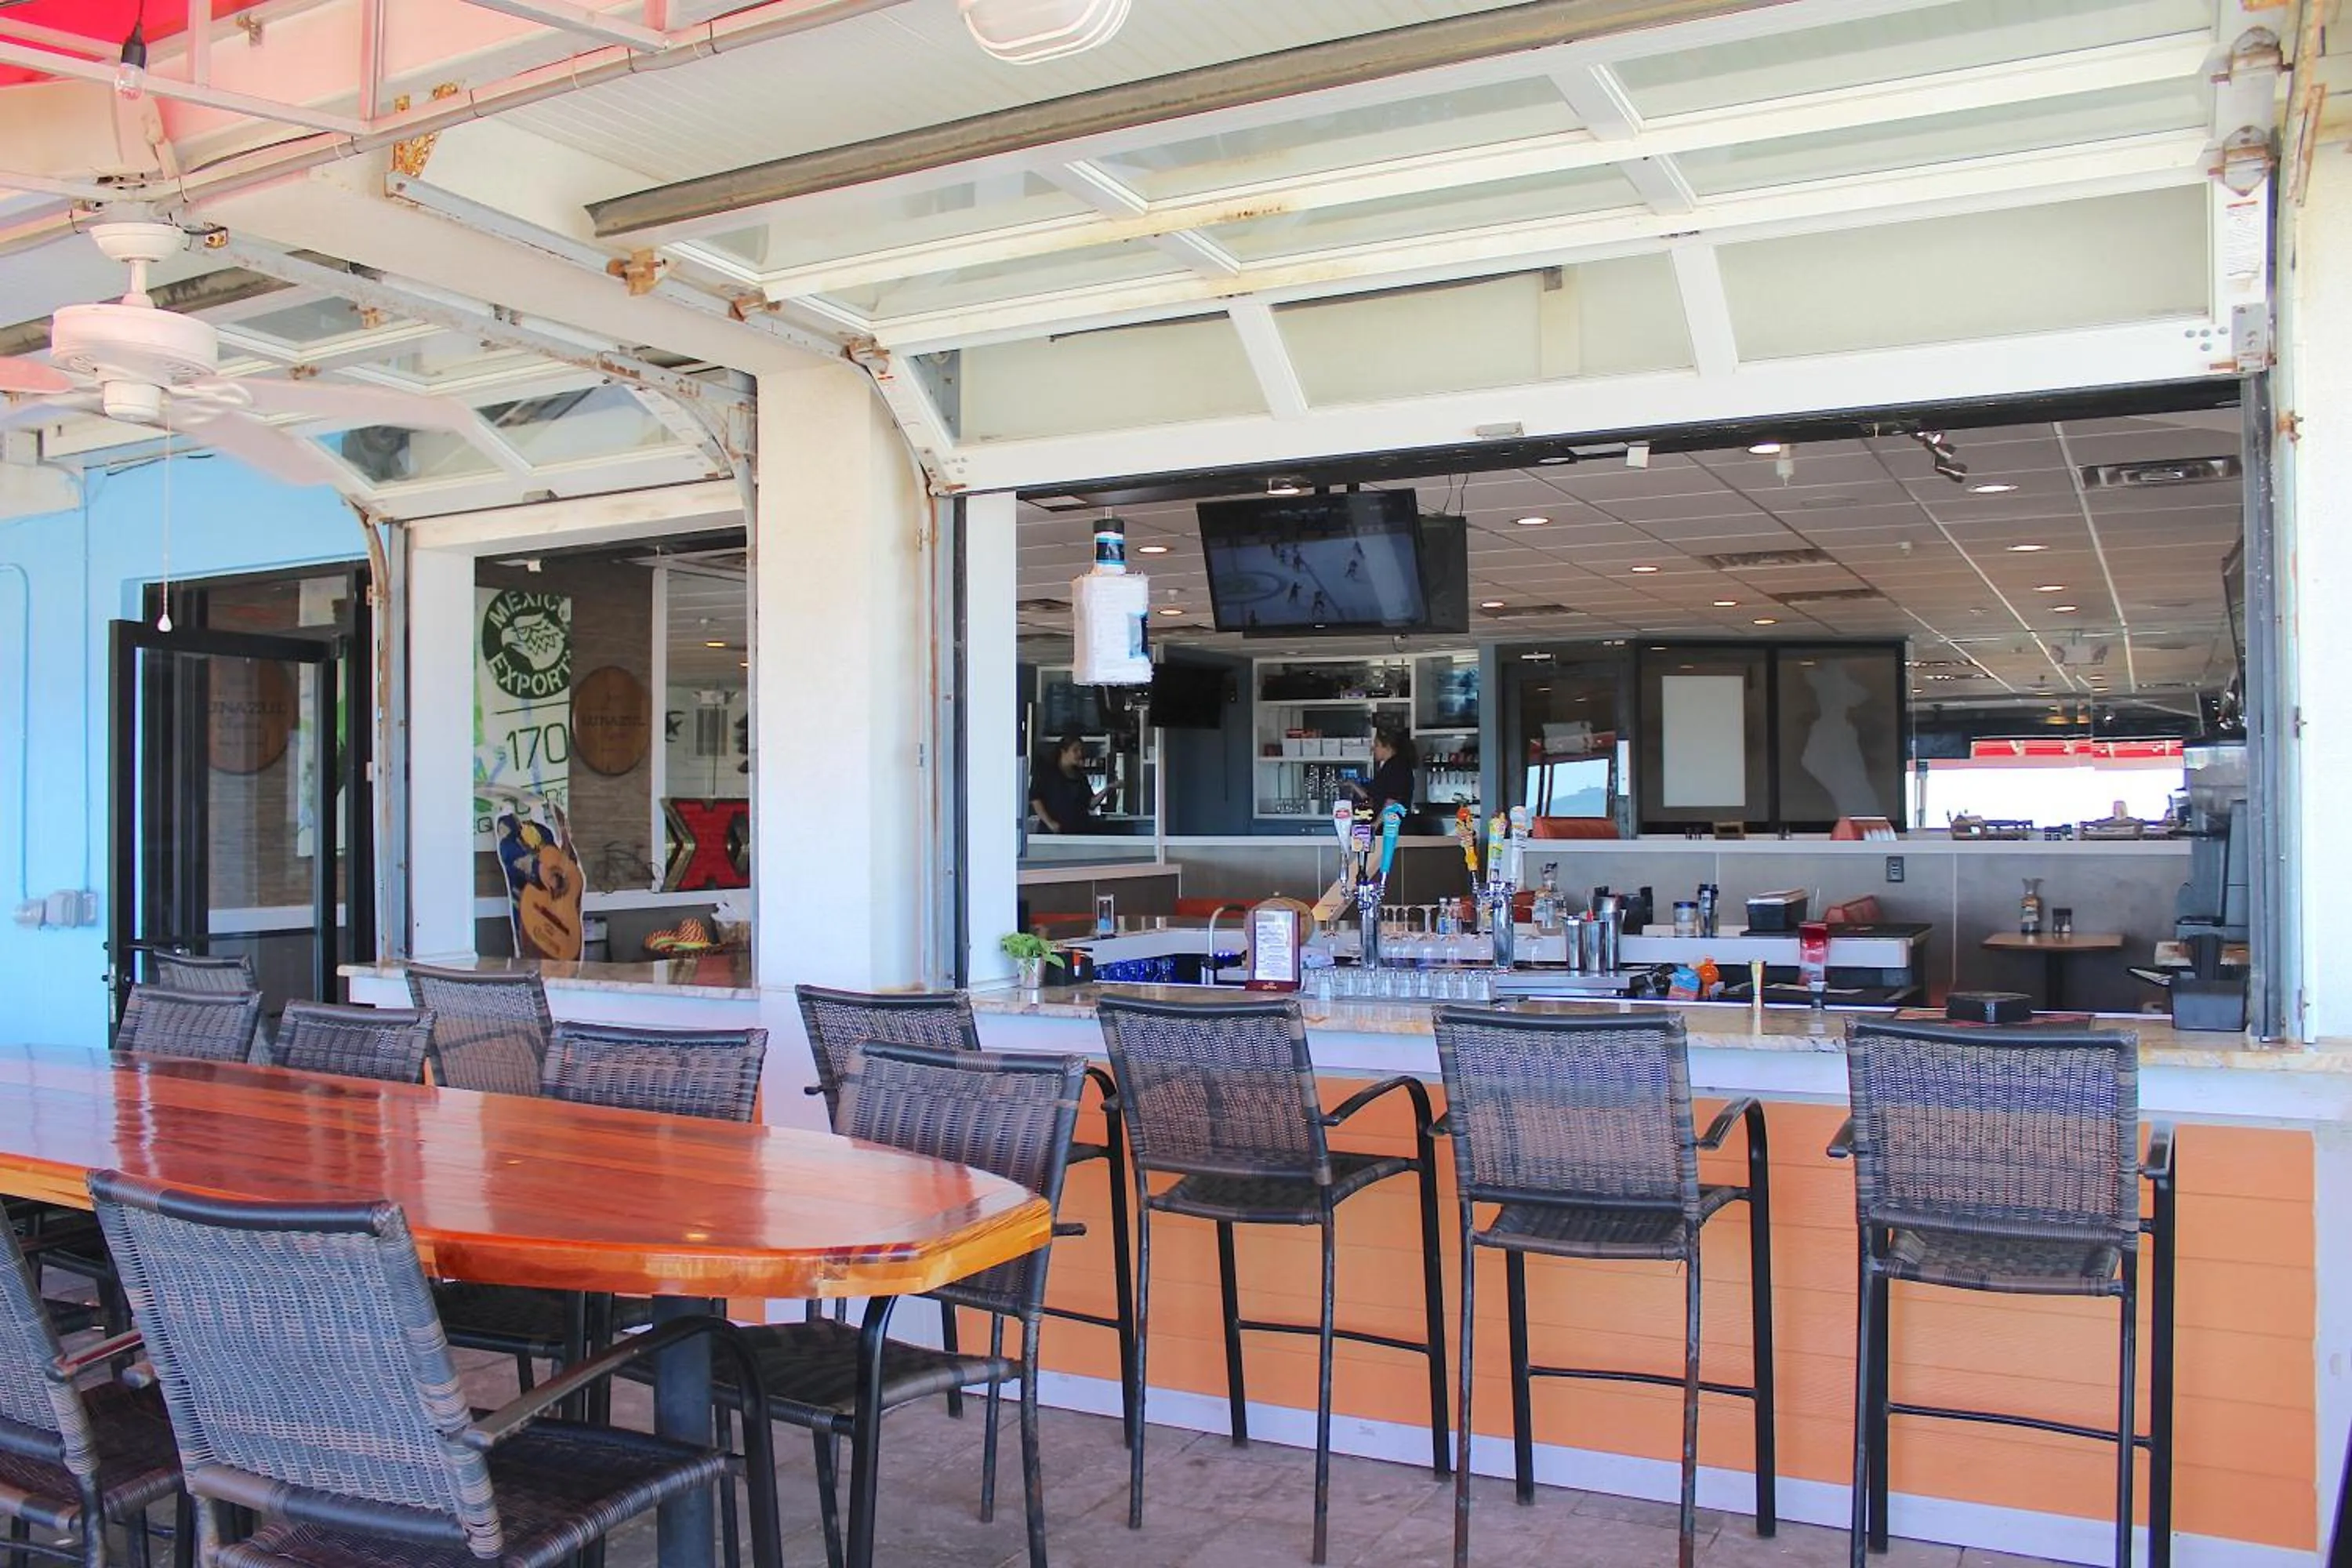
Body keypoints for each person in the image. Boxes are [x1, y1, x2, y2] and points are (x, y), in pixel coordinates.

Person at [1030, 733, 1103, 833]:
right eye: (1075, 750)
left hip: (1079, 831)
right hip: (1053, 832)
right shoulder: (1047, 772)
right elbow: (1035, 799)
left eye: (1081, 750)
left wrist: (1109, 788)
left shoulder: (1080, 777)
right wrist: (1049, 822)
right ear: (1063, 751)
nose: (1080, 754)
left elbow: (1090, 803)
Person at [1346, 726, 1418, 817]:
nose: (1373, 749)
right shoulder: (1389, 766)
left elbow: (1392, 801)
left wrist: (1376, 825)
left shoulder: (1397, 767)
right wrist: (1353, 785)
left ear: (1387, 747)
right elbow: (1374, 798)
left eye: (1376, 745)